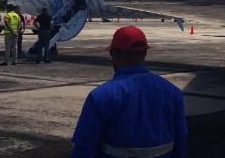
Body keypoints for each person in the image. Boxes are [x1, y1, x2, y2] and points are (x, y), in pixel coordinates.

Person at [71, 26, 187, 158]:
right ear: (144, 53)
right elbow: (180, 145)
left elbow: (83, 149)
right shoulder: (173, 93)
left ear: (116, 55)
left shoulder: (100, 97)